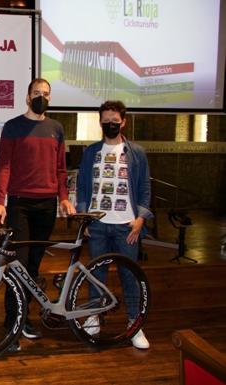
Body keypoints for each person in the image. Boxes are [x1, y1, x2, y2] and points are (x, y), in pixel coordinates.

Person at [0, 78, 75, 351]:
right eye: (36, 93)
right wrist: (0, 202)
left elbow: (61, 169)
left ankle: (23, 318)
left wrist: (63, 198)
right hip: (19, 206)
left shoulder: (56, 128)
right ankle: (11, 324)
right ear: (27, 97)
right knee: (18, 265)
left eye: (46, 94)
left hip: (47, 206)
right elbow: (3, 167)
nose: (41, 97)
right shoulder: (13, 127)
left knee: (34, 267)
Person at [75, 100, 152, 349]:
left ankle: (135, 324)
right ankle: (94, 316)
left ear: (123, 121)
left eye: (114, 121)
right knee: (96, 275)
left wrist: (140, 218)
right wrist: (84, 216)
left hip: (126, 227)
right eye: (106, 121)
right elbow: (83, 188)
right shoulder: (91, 152)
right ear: (100, 122)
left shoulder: (136, 152)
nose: (110, 125)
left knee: (129, 275)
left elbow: (145, 188)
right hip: (97, 225)